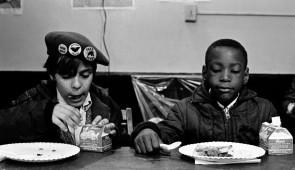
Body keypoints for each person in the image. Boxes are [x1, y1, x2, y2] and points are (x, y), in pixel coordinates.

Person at [131, 39, 277, 154]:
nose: (225, 77)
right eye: (216, 70)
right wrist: (147, 130)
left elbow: (279, 149)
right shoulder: (184, 110)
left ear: (245, 76)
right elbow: (164, 133)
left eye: (235, 71)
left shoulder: (264, 110)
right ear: (205, 73)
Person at [0, 31, 128, 147]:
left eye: (85, 75)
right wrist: (44, 115)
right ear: (52, 75)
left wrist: (111, 136)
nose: (77, 85)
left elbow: (124, 140)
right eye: (67, 76)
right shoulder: (33, 98)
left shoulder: (104, 101)